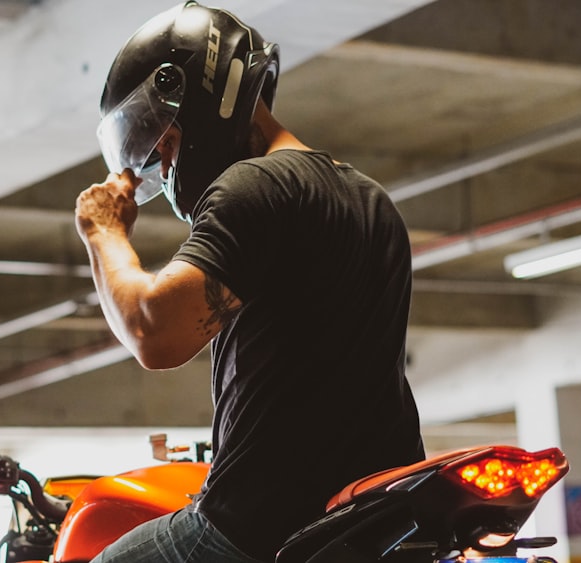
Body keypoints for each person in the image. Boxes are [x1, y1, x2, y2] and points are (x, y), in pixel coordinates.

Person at [75, 2, 425, 562]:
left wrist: (103, 232)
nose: (164, 168)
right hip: (377, 517)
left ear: (192, 95)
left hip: (266, 524)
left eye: (162, 142)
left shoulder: (255, 187)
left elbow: (153, 332)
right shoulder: (371, 200)